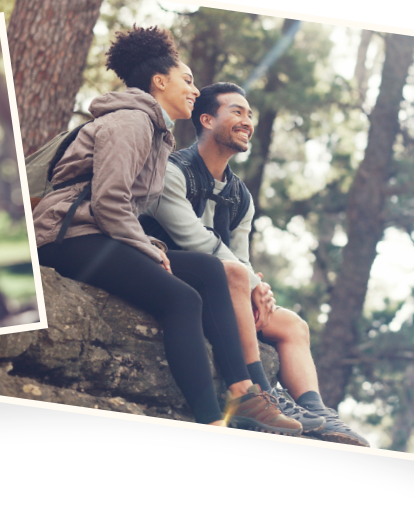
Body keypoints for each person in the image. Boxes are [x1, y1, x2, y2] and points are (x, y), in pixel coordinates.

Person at [34, 27, 300, 434]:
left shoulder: (155, 131)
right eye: (187, 81)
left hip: (96, 235)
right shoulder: (132, 122)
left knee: (212, 271)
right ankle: (211, 421)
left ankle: (243, 393)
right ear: (160, 82)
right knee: (181, 300)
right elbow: (108, 202)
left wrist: (149, 246)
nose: (194, 91)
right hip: (67, 236)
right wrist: (147, 246)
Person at [140, 82, 370, 447]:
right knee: (231, 273)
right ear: (206, 119)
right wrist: (252, 284)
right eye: (236, 111)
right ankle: (262, 395)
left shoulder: (239, 194)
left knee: (293, 324)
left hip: (223, 285)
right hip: (169, 270)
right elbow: (194, 240)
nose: (247, 121)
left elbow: (240, 255)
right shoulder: (173, 170)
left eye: (250, 114)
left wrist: (254, 288)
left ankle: (318, 413)